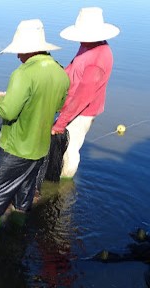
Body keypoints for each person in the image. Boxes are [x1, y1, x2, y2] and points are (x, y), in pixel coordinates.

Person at [0, 19, 70, 233]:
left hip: (15, 148)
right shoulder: (60, 72)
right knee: (24, 194)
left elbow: (7, 111)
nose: (18, 56)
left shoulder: (23, 74)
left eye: (20, 51)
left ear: (29, 49)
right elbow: (59, 105)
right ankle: (19, 238)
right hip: (38, 149)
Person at [51, 7, 120, 178]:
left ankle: (64, 184)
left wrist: (60, 123)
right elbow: (71, 69)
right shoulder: (86, 46)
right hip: (71, 106)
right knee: (63, 147)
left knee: (70, 148)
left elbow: (83, 97)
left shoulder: (99, 57)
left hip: (82, 112)